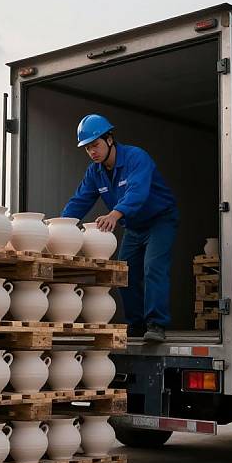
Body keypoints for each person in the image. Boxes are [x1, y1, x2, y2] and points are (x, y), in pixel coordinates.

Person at [61, 114, 178, 342]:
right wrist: (62, 225)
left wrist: (115, 214)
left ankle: (156, 324)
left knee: (153, 267)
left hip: (160, 220)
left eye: (95, 145)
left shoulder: (136, 158)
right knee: (125, 273)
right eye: (87, 148)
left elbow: (138, 192)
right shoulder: (94, 173)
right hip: (134, 227)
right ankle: (136, 324)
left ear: (110, 139)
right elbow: (79, 201)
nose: (92, 152)